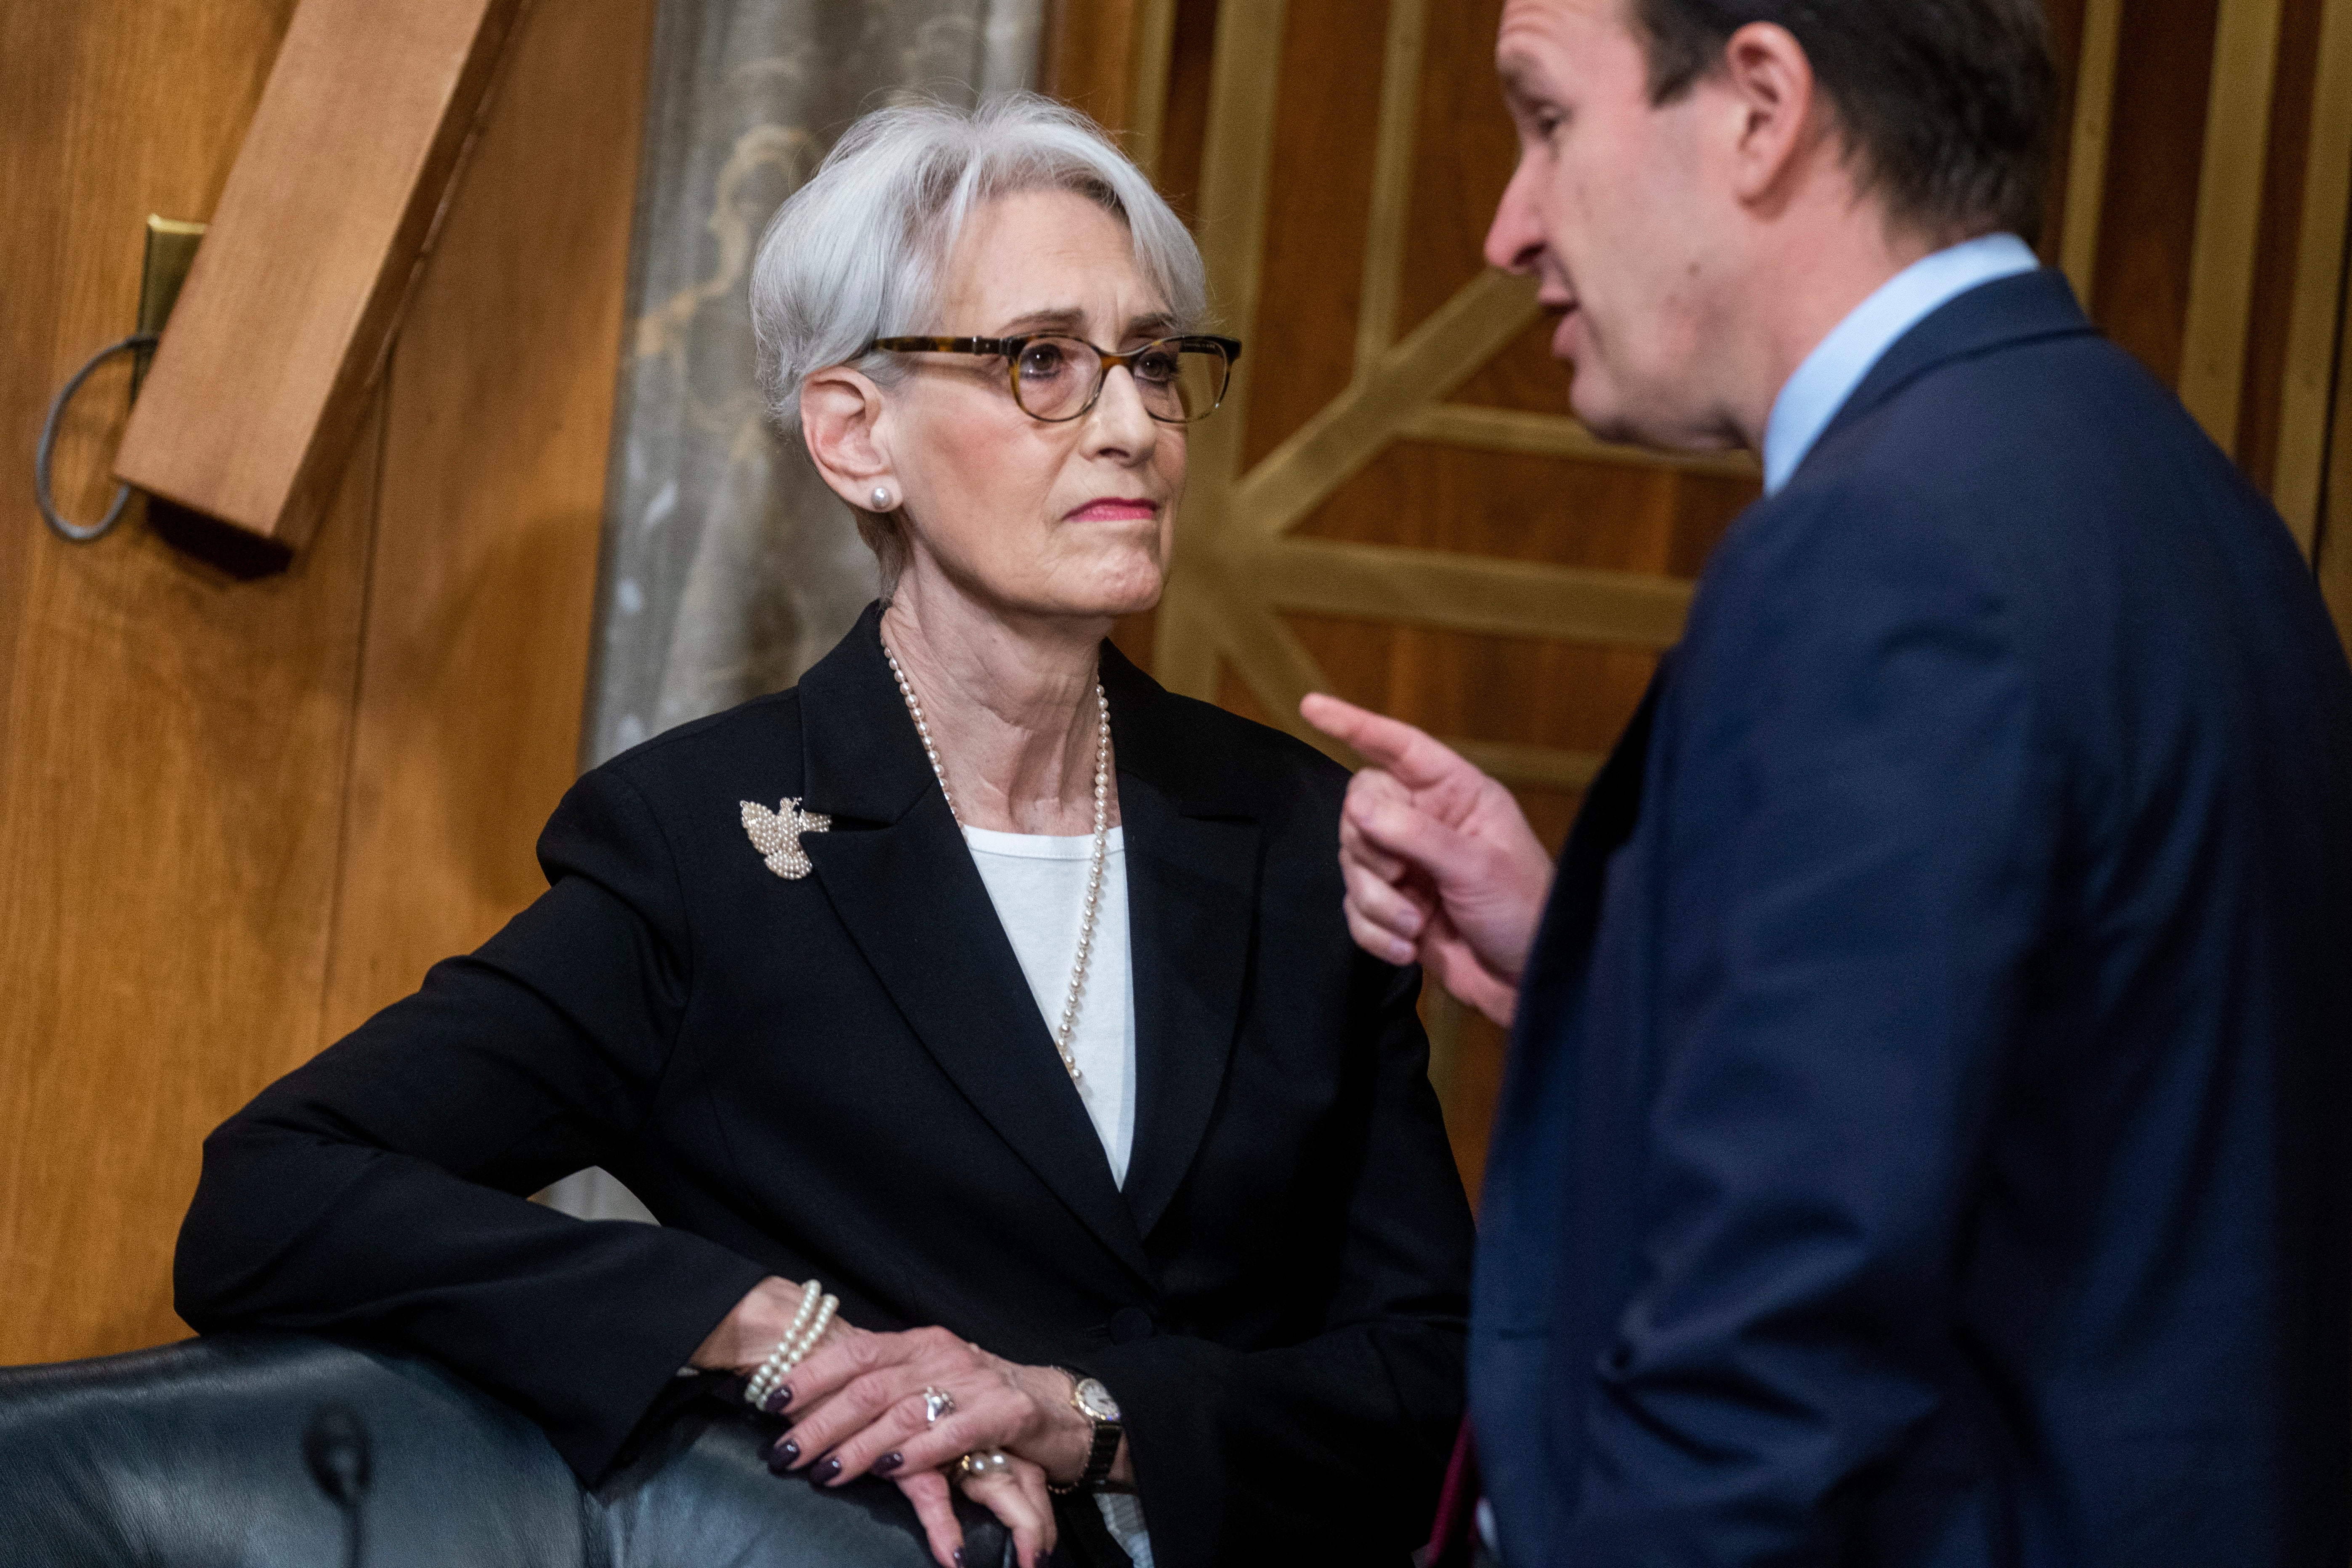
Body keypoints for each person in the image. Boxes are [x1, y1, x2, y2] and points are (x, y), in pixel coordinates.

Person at [176, 95, 1473, 1568]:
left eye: (1157, 363)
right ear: (858, 436)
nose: (1131, 427)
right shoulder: (702, 850)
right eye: (1042, 361)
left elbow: (1440, 1374)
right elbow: (271, 1197)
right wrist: (759, 1326)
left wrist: (1091, 1413)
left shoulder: (1299, 834)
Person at [1303, 2, 2352, 1563]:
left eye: (1545, 119)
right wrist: (1602, 959)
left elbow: (1773, 1355)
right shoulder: (2161, 484)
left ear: (1758, 106)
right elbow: (2050, 1089)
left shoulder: (1887, 555)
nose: (1507, 227)